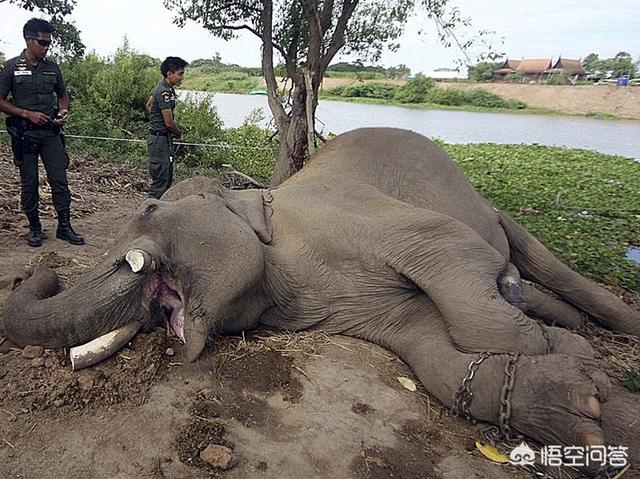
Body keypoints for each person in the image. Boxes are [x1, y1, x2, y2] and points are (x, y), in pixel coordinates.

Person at [0, 18, 84, 247]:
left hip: (50, 134)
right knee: (29, 183)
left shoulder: (52, 67)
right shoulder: (11, 67)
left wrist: (63, 110)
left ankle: (64, 227)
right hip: (24, 135)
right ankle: (35, 227)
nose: (46, 47)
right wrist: (26, 114)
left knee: (60, 179)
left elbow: (63, 95)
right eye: (42, 42)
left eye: (49, 43)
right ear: (29, 40)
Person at [146, 56, 188, 199]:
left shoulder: (163, 87)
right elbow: (169, 122)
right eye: (180, 74)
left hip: (160, 138)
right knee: (160, 184)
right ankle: (148, 216)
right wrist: (178, 132)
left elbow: (149, 105)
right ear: (169, 74)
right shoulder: (164, 92)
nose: (182, 77)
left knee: (165, 180)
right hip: (160, 140)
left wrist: (155, 120)